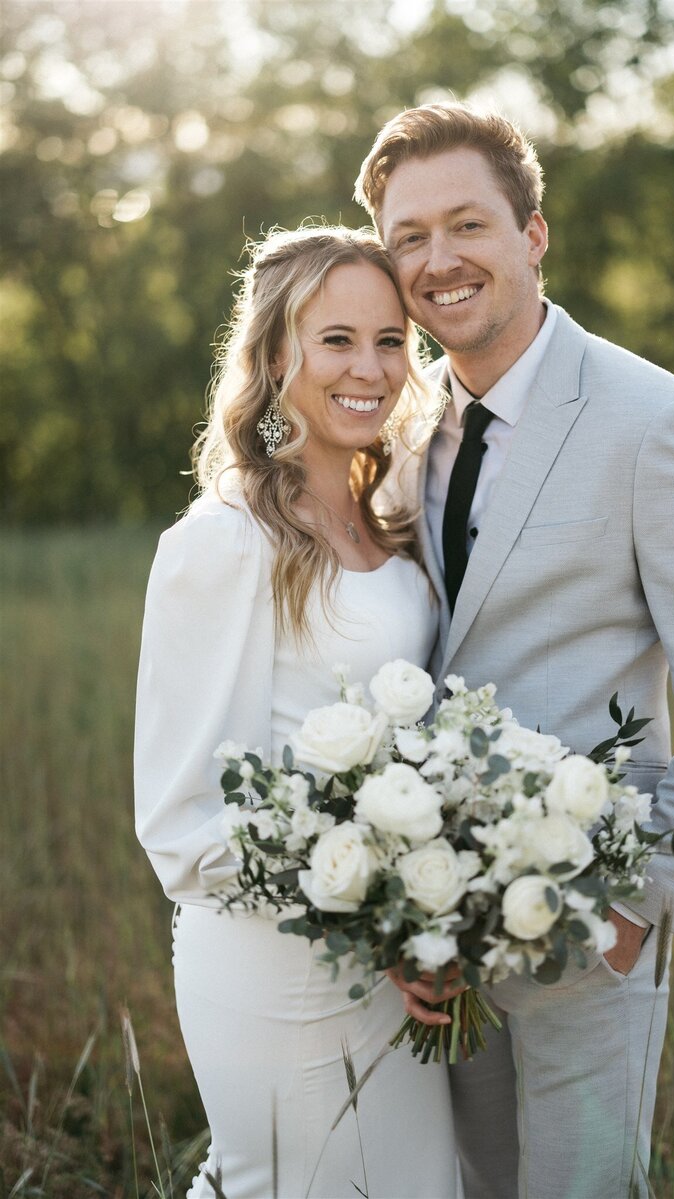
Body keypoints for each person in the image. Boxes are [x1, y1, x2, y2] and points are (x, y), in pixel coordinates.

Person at [355, 103, 674, 1199]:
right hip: (438, 930)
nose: (437, 259)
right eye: (407, 236)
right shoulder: (409, 431)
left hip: (586, 937)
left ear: (532, 233)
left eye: (466, 224)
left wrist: (634, 905)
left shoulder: (655, 421)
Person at [133, 225, 460, 1199]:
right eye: (335, 340)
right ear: (276, 356)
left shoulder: (393, 517)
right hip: (278, 964)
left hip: (396, 958)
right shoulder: (224, 541)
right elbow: (183, 825)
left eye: (391, 339)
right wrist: (373, 918)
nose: (370, 367)